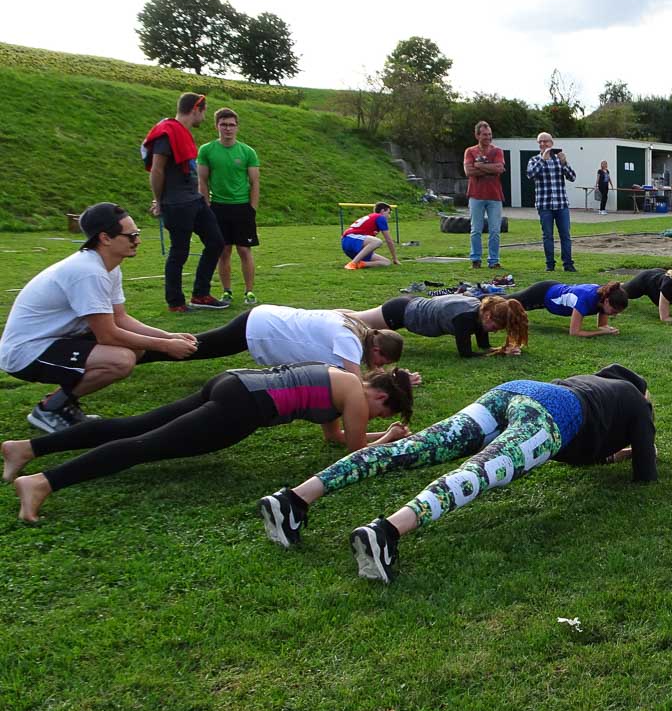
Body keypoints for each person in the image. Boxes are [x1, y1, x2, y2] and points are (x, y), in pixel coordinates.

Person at [256, 364, 658, 584]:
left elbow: (585, 449)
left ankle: (295, 498)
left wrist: (611, 455)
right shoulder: (636, 402)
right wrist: (641, 451)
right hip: (552, 416)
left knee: (412, 448)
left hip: (514, 391)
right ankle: (387, 532)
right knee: (478, 472)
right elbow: (646, 470)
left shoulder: (594, 383)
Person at [5, 365, 414, 524]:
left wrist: (383, 436)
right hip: (244, 406)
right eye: (381, 413)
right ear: (380, 397)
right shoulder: (356, 397)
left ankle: (26, 448)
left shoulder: (341, 381)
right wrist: (389, 439)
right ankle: (42, 482)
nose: (374, 418)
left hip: (235, 383)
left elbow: (337, 438)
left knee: (134, 426)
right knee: (145, 445)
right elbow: (354, 451)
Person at [0, 203, 197, 432]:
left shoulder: (107, 266)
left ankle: (60, 403)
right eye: (131, 236)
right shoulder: (88, 272)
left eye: (138, 234)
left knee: (134, 350)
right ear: (105, 238)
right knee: (120, 360)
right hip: (25, 353)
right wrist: (166, 346)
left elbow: (121, 318)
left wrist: (169, 336)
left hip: (52, 341)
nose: (138, 241)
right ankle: (50, 409)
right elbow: (108, 335)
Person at [142, 92, 227, 311]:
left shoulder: (183, 133)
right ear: (196, 109)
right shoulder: (167, 133)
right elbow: (157, 169)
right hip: (177, 203)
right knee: (179, 252)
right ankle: (175, 301)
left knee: (216, 242)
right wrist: (159, 200)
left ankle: (201, 294)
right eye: (204, 112)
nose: (204, 118)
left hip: (194, 200)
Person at [142, 304, 405, 374]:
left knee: (201, 345)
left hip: (262, 319)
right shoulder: (350, 342)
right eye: (382, 361)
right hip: (258, 328)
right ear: (376, 349)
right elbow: (355, 384)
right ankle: (142, 351)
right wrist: (393, 380)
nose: (379, 366)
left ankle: (145, 346)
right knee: (195, 349)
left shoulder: (354, 325)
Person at [196, 107, 261, 305]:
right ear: (217, 126)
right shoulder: (207, 150)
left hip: (242, 207)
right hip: (218, 207)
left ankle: (249, 291)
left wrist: (252, 208)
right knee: (223, 251)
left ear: (237, 127)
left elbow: (255, 182)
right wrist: (206, 206)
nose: (228, 129)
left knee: (244, 250)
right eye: (223, 124)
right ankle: (227, 291)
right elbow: (202, 181)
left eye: (231, 125)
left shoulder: (247, 152)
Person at [348, 294, 528, 357]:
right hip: (400, 312)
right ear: (488, 316)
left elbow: (484, 346)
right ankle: (330, 315)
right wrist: (499, 353)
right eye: (495, 327)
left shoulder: (479, 312)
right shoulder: (465, 319)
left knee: (356, 319)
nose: (494, 331)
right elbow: (466, 354)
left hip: (410, 306)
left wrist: (501, 350)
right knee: (354, 325)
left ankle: (333, 314)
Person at [526, 133, 576, 273]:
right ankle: (550, 265)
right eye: (540, 142)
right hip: (544, 205)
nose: (543, 144)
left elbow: (572, 177)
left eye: (545, 141)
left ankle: (568, 264)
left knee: (565, 235)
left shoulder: (559, 159)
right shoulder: (534, 160)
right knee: (547, 236)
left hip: (561, 203)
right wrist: (543, 160)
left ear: (552, 143)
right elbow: (530, 174)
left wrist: (564, 163)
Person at [509, 280, 628, 337]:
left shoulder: (604, 297)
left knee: (509, 303)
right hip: (542, 293)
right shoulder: (586, 299)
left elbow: (602, 324)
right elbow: (574, 332)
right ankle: (495, 295)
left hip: (554, 288)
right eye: (614, 311)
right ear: (606, 301)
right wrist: (601, 333)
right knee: (507, 303)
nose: (614, 315)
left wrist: (606, 328)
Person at [463, 120, 507, 270]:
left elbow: (500, 168)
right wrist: (490, 168)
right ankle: (475, 259)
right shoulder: (470, 151)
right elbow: (469, 171)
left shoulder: (498, 151)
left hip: (495, 195)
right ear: (477, 135)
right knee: (476, 229)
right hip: (476, 195)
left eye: (489, 134)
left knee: (495, 230)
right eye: (484, 134)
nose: (488, 137)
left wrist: (480, 166)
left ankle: (493, 260)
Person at [341, 203, 398, 269]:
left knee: (386, 262)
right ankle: (353, 263)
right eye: (388, 213)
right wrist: (395, 258)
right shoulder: (380, 217)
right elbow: (389, 240)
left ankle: (361, 264)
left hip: (349, 242)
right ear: (382, 211)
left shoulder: (372, 217)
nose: (389, 216)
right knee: (377, 241)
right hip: (351, 239)